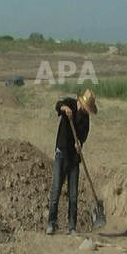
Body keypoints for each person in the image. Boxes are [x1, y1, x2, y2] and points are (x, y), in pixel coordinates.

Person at [46, 89, 97, 236]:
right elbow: (57, 105)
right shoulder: (69, 103)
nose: (84, 110)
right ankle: (51, 223)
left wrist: (79, 143)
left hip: (74, 159)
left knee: (73, 195)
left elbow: (83, 136)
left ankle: (72, 227)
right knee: (56, 190)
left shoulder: (86, 119)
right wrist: (64, 108)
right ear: (79, 101)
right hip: (61, 153)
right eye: (84, 107)